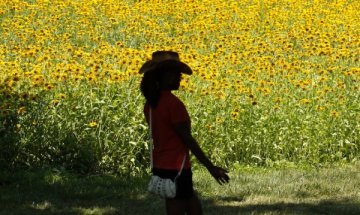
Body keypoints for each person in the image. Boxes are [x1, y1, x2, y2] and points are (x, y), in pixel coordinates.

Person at [140, 51, 230, 215]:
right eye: (177, 75)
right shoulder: (173, 104)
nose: (180, 78)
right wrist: (211, 168)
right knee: (178, 203)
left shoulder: (150, 104)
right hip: (177, 166)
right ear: (166, 77)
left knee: (188, 198)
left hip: (161, 163)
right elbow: (187, 139)